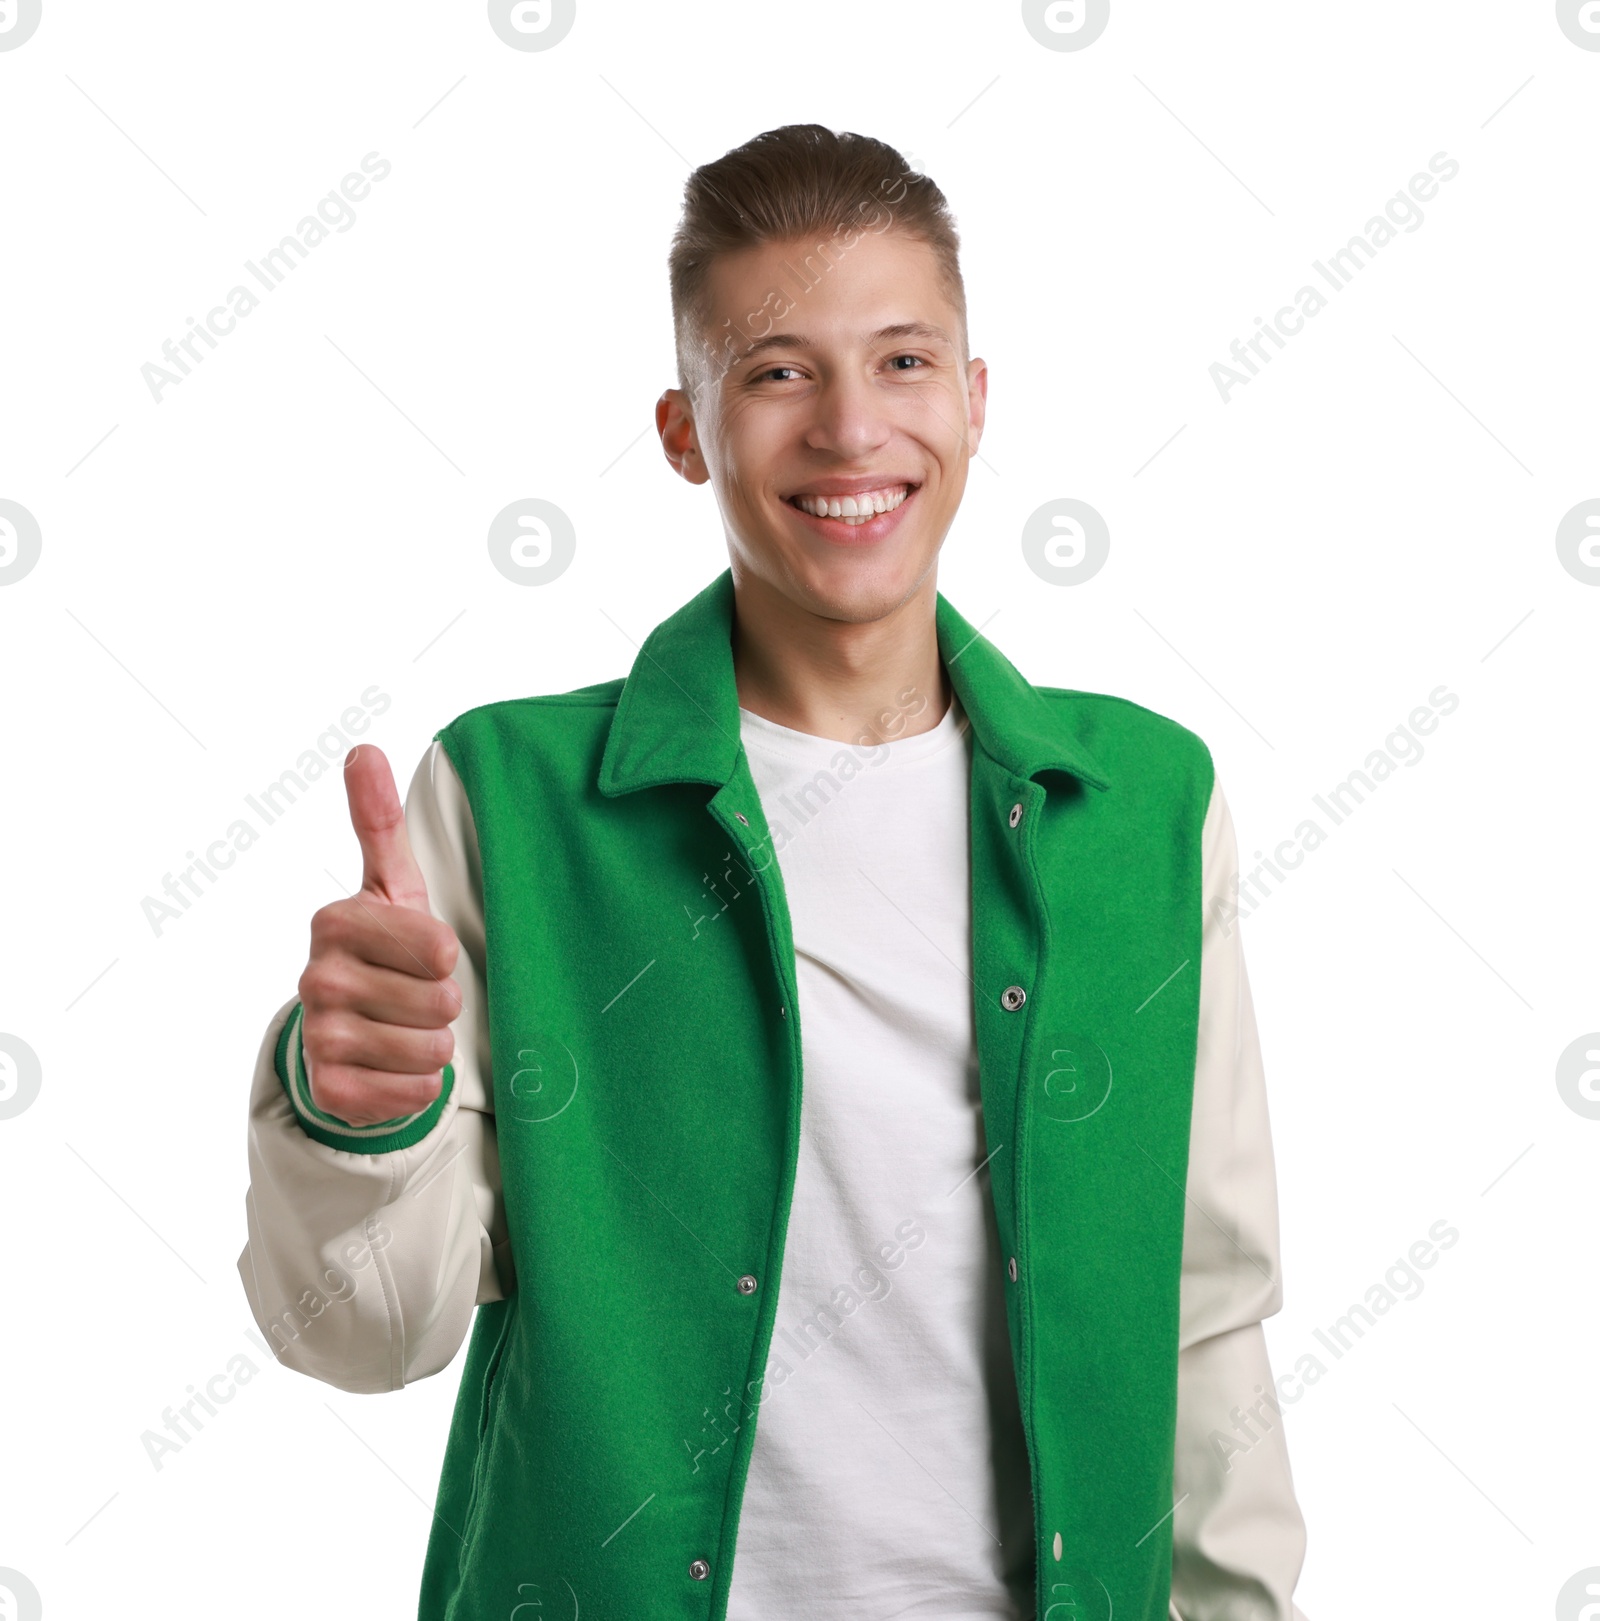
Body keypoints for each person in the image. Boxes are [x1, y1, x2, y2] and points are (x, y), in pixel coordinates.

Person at [237, 123, 1309, 1621]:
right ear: (685, 427)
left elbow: (1205, 1307)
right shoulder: (511, 799)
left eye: (904, 361)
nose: (853, 430)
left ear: (978, 400)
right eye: (777, 370)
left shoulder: (1145, 805)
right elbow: (363, 1334)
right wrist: (358, 1117)